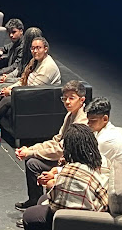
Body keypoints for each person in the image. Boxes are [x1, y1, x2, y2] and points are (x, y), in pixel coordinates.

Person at [22, 123, 109, 230]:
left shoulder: (71, 171)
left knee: (29, 217)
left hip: (78, 222)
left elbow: (57, 207)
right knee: (41, 200)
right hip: (99, 215)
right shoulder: (102, 161)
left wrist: (52, 184)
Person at [14, 80, 88, 210]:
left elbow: (61, 149)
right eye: (64, 99)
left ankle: (41, 205)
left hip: (73, 163)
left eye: (72, 98)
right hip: (64, 157)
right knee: (31, 162)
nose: (67, 102)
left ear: (82, 100)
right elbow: (56, 140)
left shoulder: (81, 120)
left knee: (32, 163)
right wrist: (30, 149)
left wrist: (30, 153)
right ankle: (34, 201)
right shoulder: (70, 115)